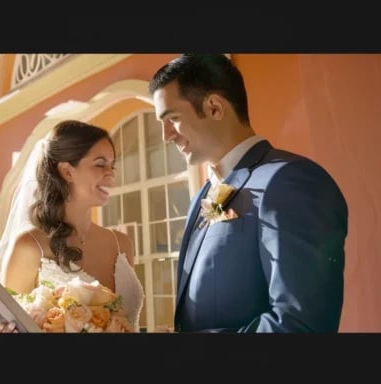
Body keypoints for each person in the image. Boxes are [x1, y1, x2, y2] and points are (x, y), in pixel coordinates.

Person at [148, 54, 347, 333]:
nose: (166, 136)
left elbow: (301, 325)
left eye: (172, 119)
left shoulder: (290, 181)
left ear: (215, 107)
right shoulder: (202, 195)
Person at [0, 119, 144, 333]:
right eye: (100, 164)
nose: (111, 173)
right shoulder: (29, 247)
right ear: (67, 172)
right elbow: (9, 328)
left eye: (112, 165)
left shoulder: (121, 243)